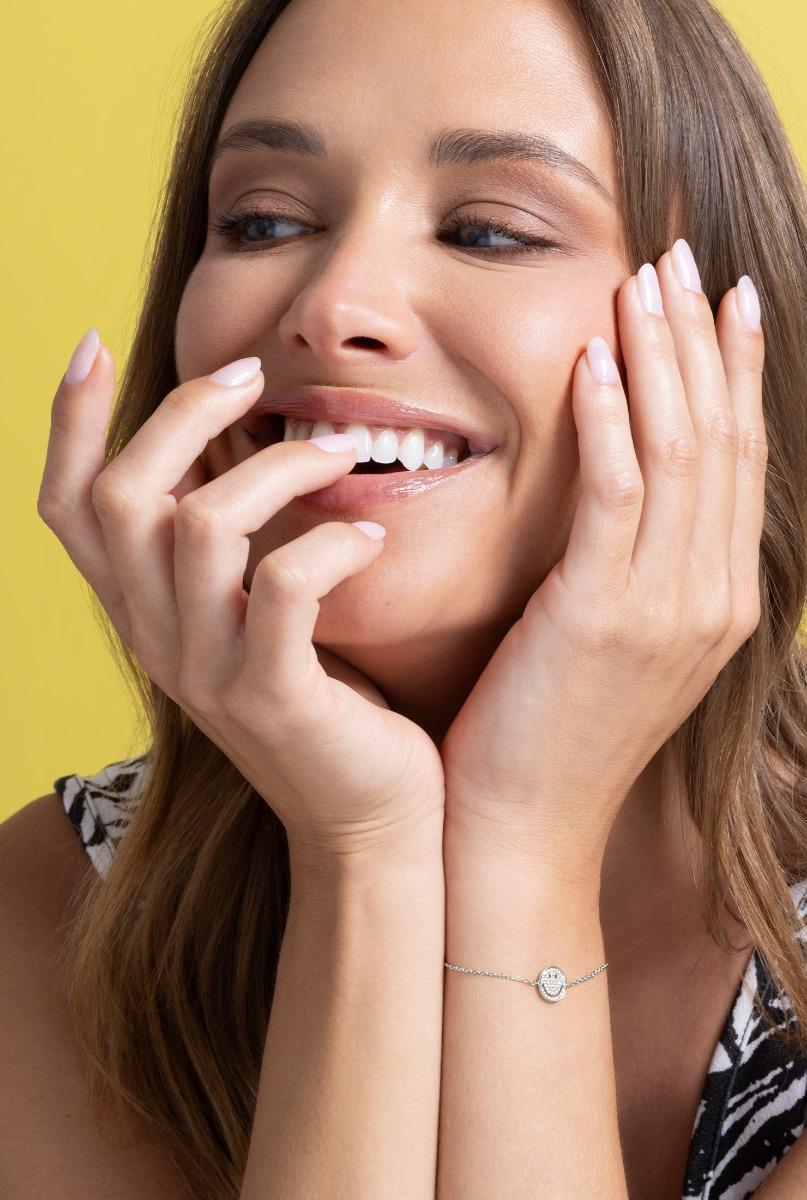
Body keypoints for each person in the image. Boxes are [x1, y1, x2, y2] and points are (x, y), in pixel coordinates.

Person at [2, 0, 807, 1195]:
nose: (332, 305)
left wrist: (522, 847)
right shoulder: (50, 913)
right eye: (263, 218)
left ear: (717, 347)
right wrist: (364, 855)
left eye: (490, 231)